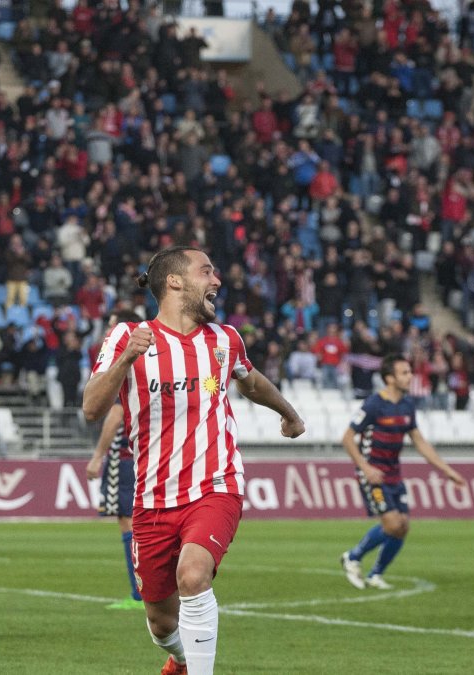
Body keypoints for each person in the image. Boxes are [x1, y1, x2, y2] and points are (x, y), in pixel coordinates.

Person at [82, 246, 305, 675]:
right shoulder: (126, 337)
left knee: (194, 574)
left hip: (215, 486)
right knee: (161, 623)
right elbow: (92, 408)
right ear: (175, 281)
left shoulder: (225, 340)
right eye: (207, 271)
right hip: (152, 499)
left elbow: (252, 381)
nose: (217, 280)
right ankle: (181, 661)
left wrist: (290, 414)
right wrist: (127, 357)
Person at [340, 355, 467, 589]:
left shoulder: (408, 405)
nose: (410, 376)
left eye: (410, 372)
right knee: (391, 524)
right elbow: (347, 438)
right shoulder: (373, 405)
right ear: (390, 378)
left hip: (394, 474)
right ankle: (353, 556)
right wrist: (365, 467)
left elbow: (420, 442)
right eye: (404, 373)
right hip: (373, 474)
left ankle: (375, 574)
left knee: (403, 527)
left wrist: (446, 470)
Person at [85, 309, 145, 610]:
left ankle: (139, 592)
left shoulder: (125, 362)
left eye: (113, 327)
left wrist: (98, 456)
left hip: (125, 455)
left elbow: (116, 412)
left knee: (127, 520)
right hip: (149, 453)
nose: (109, 333)